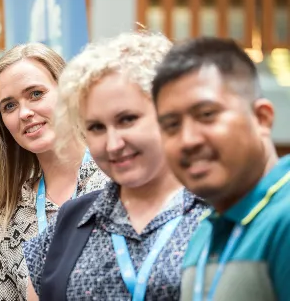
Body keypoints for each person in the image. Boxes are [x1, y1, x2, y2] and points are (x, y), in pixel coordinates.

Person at [23, 32, 208, 301]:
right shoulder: (70, 221)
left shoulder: (220, 215)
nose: (113, 144)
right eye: (96, 127)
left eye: (127, 120)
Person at [152, 37, 290, 301]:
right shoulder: (204, 233)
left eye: (206, 114)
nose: (188, 140)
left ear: (261, 118)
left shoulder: (284, 217)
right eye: (171, 125)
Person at [0, 43, 109, 300]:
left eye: (36, 94)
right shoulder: (10, 217)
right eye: (9, 106)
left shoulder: (118, 180)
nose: (25, 113)